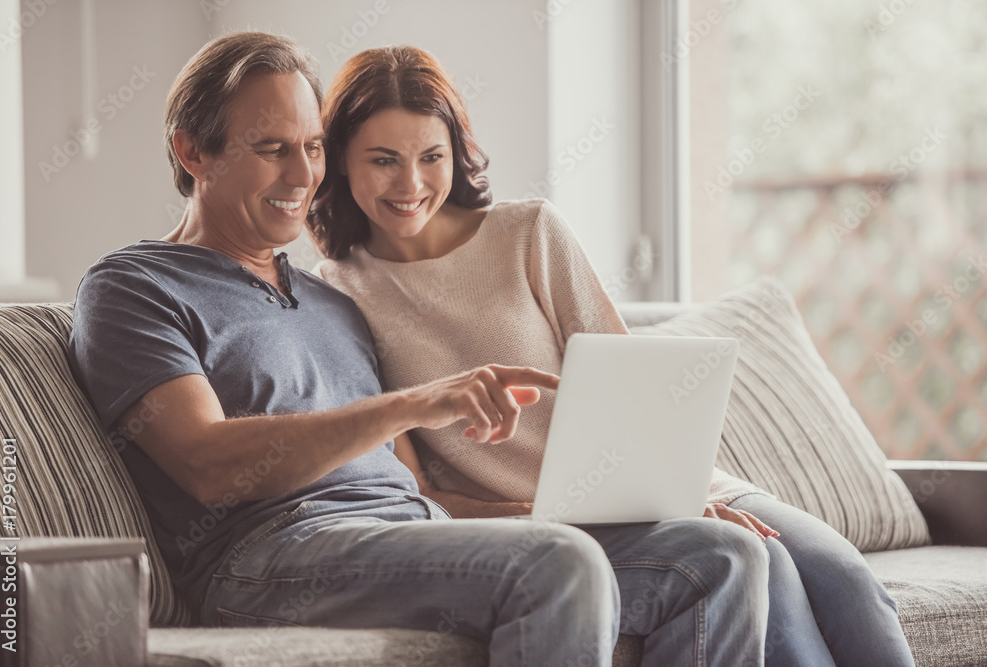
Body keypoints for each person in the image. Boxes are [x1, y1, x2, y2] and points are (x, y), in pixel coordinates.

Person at [67, 32, 771, 667]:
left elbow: (420, 496)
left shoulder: (330, 302)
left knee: (719, 553)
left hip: (406, 534)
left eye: (312, 147)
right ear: (193, 151)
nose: (301, 174)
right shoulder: (135, 286)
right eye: (271, 147)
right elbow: (206, 464)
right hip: (270, 555)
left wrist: (589, 513)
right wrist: (411, 403)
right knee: (554, 563)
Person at [310, 45, 916, 667]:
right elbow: (417, 490)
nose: (411, 184)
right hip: (541, 527)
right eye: (383, 161)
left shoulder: (529, 233)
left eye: (430, 157)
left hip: (668, 489)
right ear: (338, 163)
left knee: (848, 580)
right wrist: (553, 517)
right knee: (771, 581)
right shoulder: (333, 294)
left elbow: (635, 392)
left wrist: (675, 501)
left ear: (454, 155)